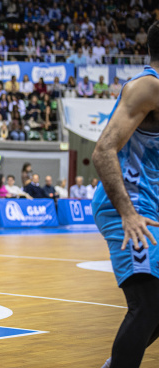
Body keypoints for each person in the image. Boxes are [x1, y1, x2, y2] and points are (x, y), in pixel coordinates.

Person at [92, 21, 159, 368]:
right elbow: (103, 150)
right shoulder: (147, 86)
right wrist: (128, 213)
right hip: (128, 205)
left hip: (150, 206)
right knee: (147, 304)